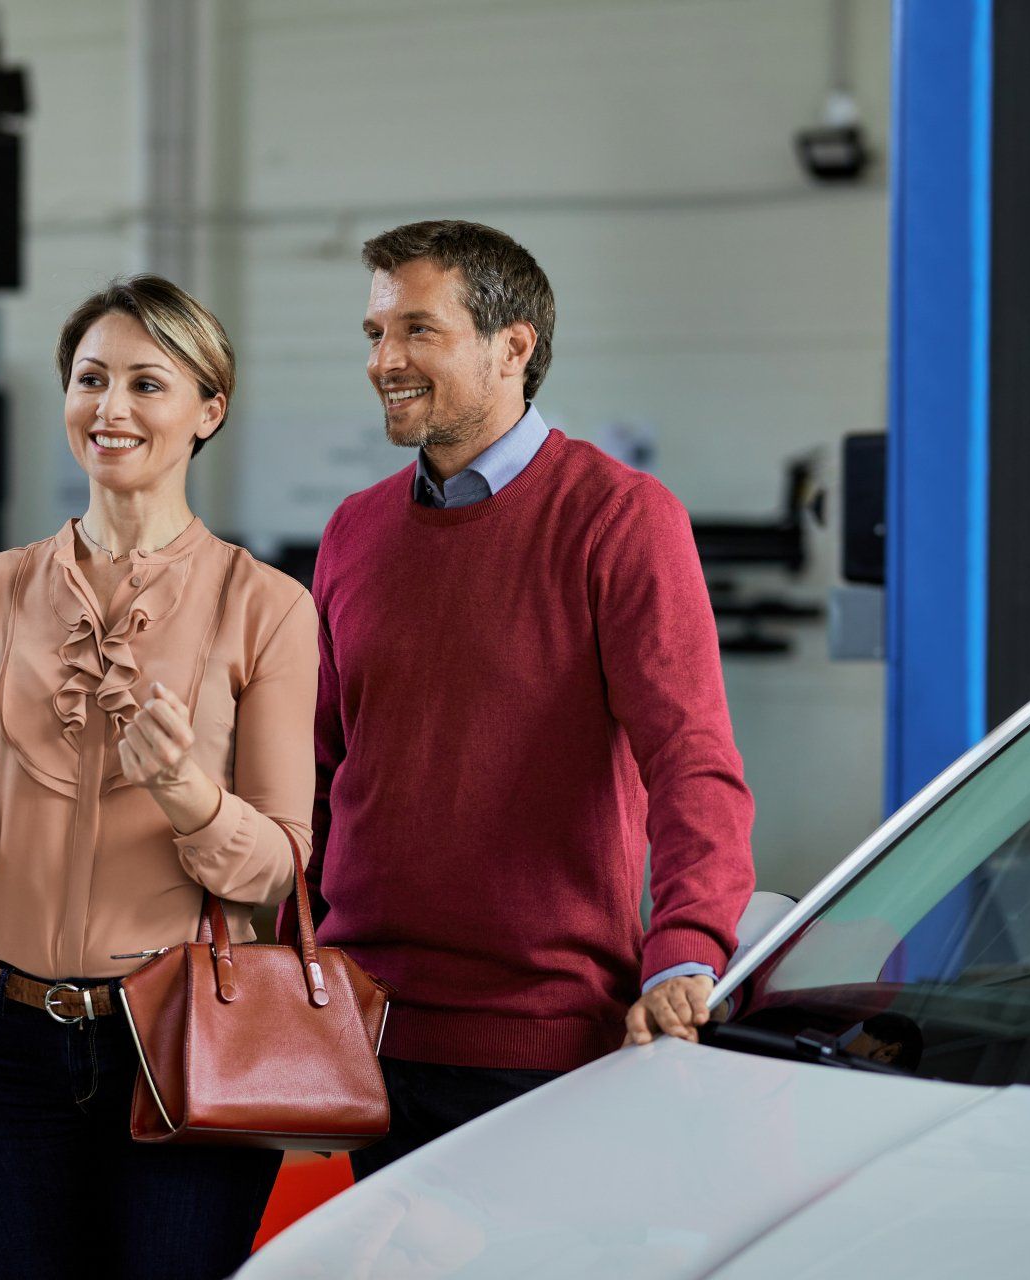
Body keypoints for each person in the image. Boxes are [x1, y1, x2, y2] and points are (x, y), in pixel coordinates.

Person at [295, 219, 757, 1180]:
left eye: (420, 330)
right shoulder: (352, 531)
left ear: (515, 346)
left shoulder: (620, 519)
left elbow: (693, 762)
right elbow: (321, 771)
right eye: (376, 334)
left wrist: (686, 948)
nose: (387, 360)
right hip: (366, 1032)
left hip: (544, 1050)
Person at [0, 275, 317, 1280]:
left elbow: (281, 861)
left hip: (183, 1036)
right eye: (90, 379)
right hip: (0, 1036)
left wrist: (188, 795)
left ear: (209, 408)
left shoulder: (270, 607)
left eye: (145, 383)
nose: (109, 409)